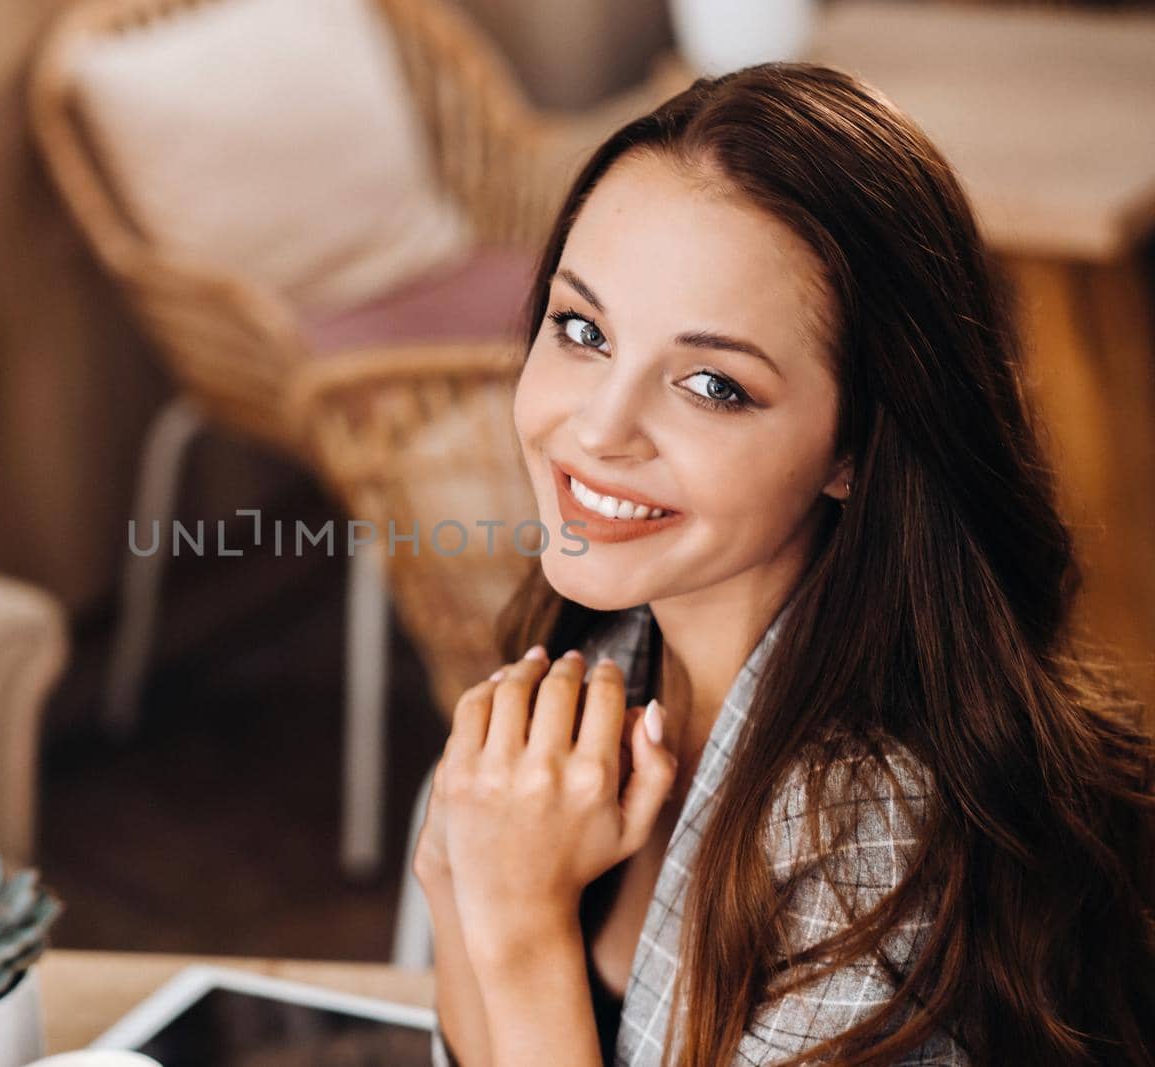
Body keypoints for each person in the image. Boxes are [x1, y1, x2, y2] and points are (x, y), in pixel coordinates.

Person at [413, 61, 1155, 1066]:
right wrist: (467, 878)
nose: (596, 428)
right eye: (580, 329)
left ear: (855, 445)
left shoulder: (877, 836)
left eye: (712, 384)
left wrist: (515, 923)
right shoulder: (607, 654)